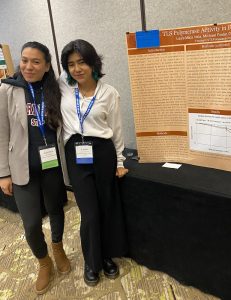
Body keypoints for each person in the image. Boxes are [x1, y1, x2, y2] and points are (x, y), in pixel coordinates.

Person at [0, 42, 71, 295]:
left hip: (51, 166)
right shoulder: (8, 89)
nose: (29, 66)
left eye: (36, 62)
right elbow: (1, 133)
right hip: (21, 169)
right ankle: (43, 262)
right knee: (30, 224)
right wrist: (3, 173)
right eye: (24, 60)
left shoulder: (56, 89)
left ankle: (58, 247)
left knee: (56, 211)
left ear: (47, 66)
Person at [59, 39, 128, 286]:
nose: (77, 69)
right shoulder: (64, 87)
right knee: (89, 211)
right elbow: (37, 75)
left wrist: (120, 160)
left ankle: (106, 257)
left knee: (105, 206)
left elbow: (117, 129)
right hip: (75, 152)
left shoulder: (108, 92)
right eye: (71, 64)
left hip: (102, 152)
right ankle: (92, 261)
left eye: (82, 62)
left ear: (93, 63)